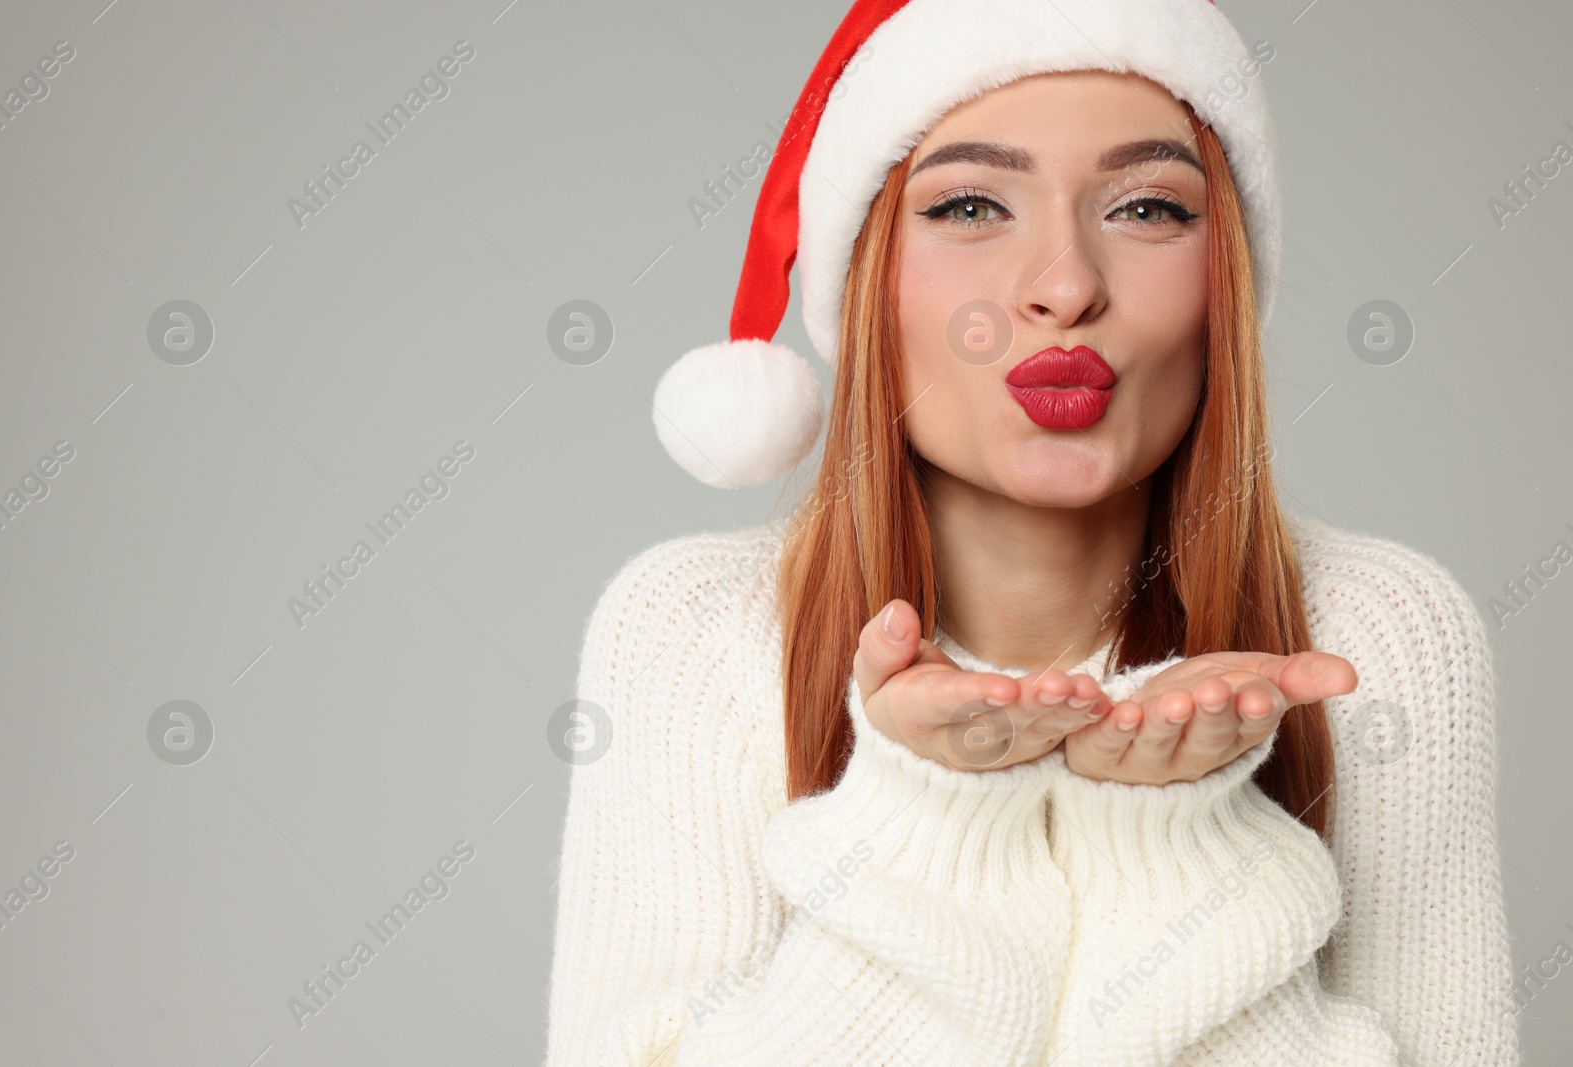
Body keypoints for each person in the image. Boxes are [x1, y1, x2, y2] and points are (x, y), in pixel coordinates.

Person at [544, 1, 1521, 1064]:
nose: (1065, 286)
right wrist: (928, 820)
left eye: (1147, 209)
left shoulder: (1377, 636)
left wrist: (1177, 839)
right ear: (869, 279)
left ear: (1223, 283)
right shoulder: (694, 634)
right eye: (969, 204)